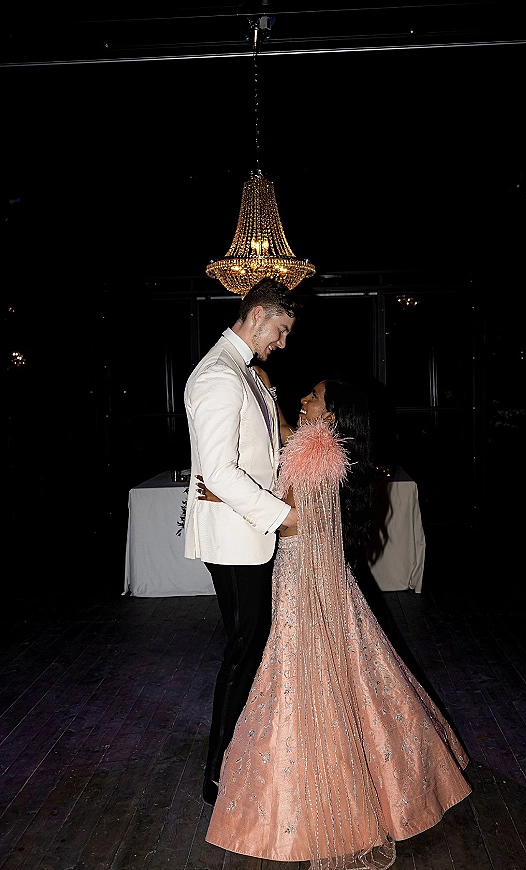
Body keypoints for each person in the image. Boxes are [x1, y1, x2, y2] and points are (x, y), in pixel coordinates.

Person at [202, 378, 472, 869]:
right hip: (316, 573)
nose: (304, 399)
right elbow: (292, 451)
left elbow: (297, 522)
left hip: (303, 576)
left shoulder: (319, 450)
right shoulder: (320, 444)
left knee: (306, 679)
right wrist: (277, 408)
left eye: (314, 397)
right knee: (355, 668)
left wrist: (223, 497)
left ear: (331, 415)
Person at [182, 277, 300, 807]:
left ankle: (238, 752)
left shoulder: (243, 371)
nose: (282, 342)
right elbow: (220, 474)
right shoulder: (218, 377)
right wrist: (282, 515)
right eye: (279, 330)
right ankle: (218, 770)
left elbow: (256, 452)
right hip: (233, 536)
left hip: (244, 531)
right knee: (243, 646)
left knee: (249, 643)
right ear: (258, 316)